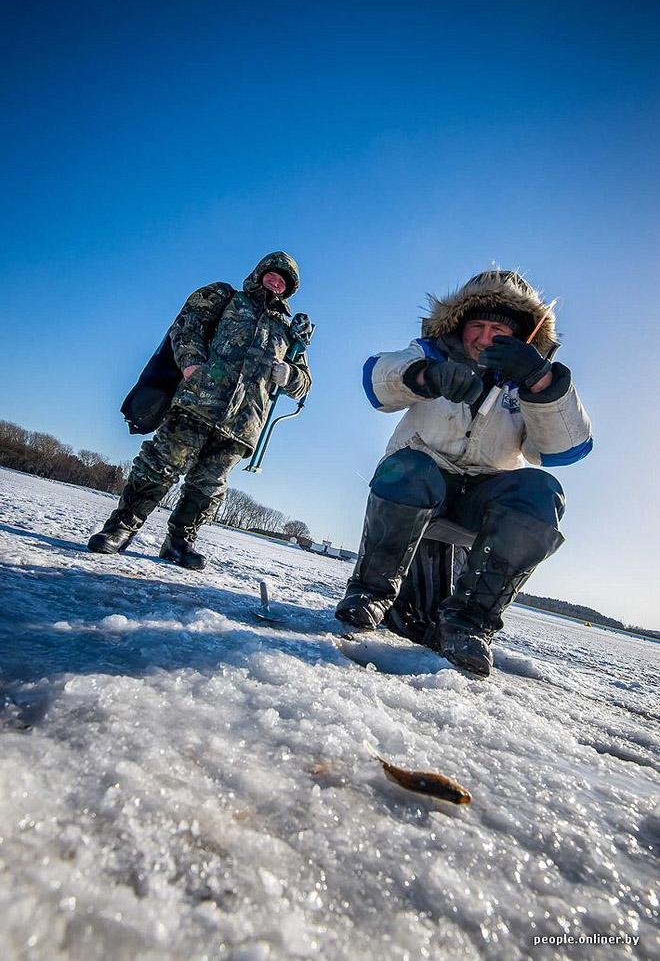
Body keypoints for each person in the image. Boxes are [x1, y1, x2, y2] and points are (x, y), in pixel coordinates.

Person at [335, 269, 592, 676]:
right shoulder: (431, 352)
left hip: (484, 497)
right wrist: (426, 375)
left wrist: (540, 382)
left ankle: (469, 623)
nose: (486, 338)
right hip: (421, 482)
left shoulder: (528, 382)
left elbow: (563, 450)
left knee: (542, 491)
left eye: (499, 330)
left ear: (521, 337)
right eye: (478, 325)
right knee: (407, 467)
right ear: (461, 326)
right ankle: (371, 592)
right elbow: (378, 382)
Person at [88, 252, 311, 570]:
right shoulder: (227, 298)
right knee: (159, 466)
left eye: (284, 281)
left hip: (242, 423)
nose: (276, 282)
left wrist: (290, 375)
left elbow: (304, 382)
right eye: (272, 274)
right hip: (198, 403)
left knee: (208, 487)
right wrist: (192, 364)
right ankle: (120, 528)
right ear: (260, 273)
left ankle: (178, 543)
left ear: (289, 290)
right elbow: (188, 326)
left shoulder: (289, 333)